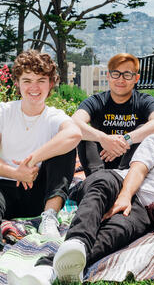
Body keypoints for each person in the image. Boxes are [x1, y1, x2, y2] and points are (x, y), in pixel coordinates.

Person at [8, 103, 154, 285]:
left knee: (117, 232)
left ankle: (45, 272)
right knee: (100, 185)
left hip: (147, 209)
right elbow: (138, 170)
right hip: (121, 182)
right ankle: (77, 242)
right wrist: (124, 198)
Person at [0, 50, 81, 242]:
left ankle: (49, 218)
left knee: (65, 145)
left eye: (41, 80)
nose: (34, 87)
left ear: (50, 83)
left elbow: (75, 133)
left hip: (40, 195)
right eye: (27, 80)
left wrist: (34, 158)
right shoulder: (4, 112)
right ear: (17, 83)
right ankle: (8, 232)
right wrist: (17, 173)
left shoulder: (54, 116)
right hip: (4, 189)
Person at [72, 53, 154, 176]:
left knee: (144, 129)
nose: (121, 80)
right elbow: (74, 122)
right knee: (84, 134)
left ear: (136, 78)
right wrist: (103, 138)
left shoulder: (144, 100)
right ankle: (96, 180)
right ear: (108, 76)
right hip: (99, 164)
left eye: (127, 75)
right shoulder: (96, 101)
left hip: (131, 167)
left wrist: (126, 140)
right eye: (116, 74)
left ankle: (123, 179)